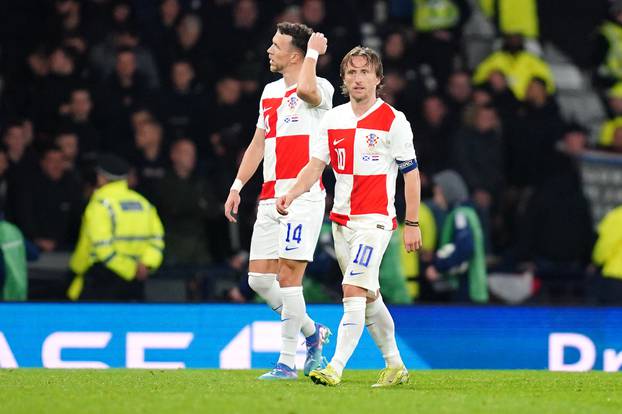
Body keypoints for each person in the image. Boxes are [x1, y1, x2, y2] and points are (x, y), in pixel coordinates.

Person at [277, 46, 422, 387]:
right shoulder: (334, 118)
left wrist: (411, 223)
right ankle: (395, 364)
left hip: (374, 222)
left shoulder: (394, 121)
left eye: (365, 72)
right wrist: (293, 192)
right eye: (352, 72)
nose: (358, 79)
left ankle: (335, 367)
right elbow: (316, 165)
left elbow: (411, 175)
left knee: (353, 288)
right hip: (341, 222)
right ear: (343, 80)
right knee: (369, 297)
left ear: (378, 79)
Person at [223, 23, 334, 380]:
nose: (269, 50)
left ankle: (287, 362)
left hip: (302, 195)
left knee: (289, 277)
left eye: (276, 45)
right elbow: (258, 143)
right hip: (270, 195)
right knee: (258, 280)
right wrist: (238, 184)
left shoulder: (321, 88)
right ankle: (312, 332)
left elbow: (305, 89)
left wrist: (314, 54)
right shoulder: (269, 92)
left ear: (296, 56)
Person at [67, 154, 164, 301]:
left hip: (102, 281)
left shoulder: (100, 205)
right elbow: (157, 239)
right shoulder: (143, 203)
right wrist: (146, 264)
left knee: (95, 324)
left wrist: (74, 271)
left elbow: (98, 247)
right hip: (136, 280)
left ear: (101, 177)